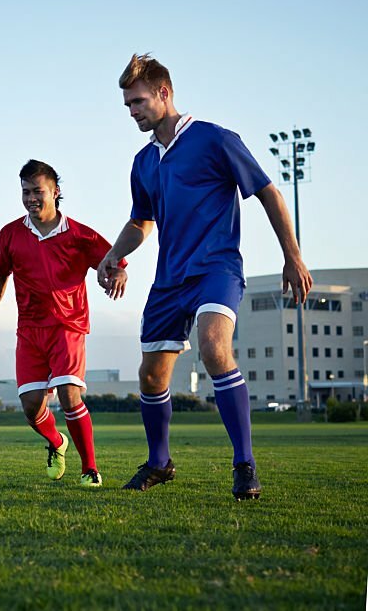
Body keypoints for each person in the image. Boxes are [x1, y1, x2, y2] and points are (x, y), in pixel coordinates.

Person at [96, 54, 313, 500]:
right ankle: (159, 463)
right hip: (168, 279)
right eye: (127, 105)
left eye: (138, 101)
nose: (133, 111)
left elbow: (268, 191)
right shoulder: (143, 163)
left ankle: (244, 464)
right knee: (152, 378)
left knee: (215, 349)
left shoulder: (215, 139)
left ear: (164, 93)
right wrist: (114, 255)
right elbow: (142, 222)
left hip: (217, 268)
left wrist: (292, 255)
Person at [0, 160, 127, 488]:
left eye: (37, 191)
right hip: (29, 331)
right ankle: (57, 443)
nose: (31, 198)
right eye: (25, 192)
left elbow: (113, 261)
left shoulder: (80, 235)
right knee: (31, 407)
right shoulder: (10, 234)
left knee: (71, 395)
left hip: (68, 326)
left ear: (55, 192)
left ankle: (90, 469)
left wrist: (117, 272)